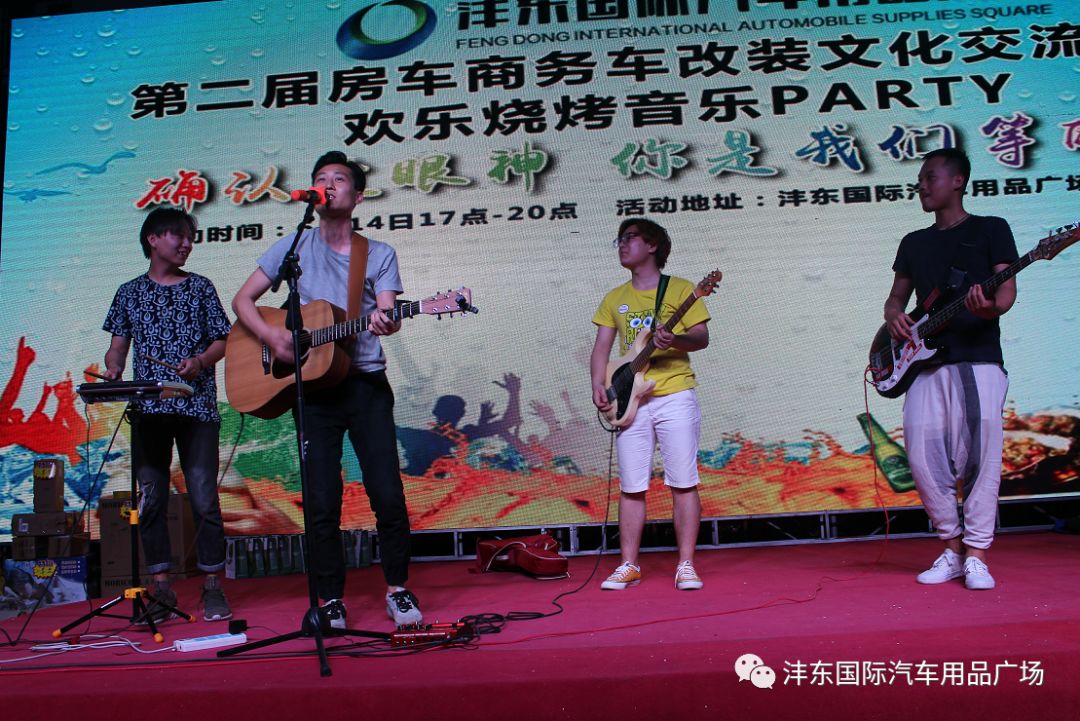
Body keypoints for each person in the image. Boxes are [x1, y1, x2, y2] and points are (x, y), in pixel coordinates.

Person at [232, 150, 421, 628]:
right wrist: (273, 335)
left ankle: (397, 589)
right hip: (313, 391)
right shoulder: (292, 247)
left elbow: (387, 311)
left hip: (365, 385)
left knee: (386, 492)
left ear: (357, 197)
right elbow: (243, 300)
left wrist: (388, 320)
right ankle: (331, 599)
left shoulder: (377, 253)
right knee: (320, 500)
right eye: (321, 178)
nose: (328, 184)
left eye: (339, 179)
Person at [883, 147, 1018, 590]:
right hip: (924, 365)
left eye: (930, 177)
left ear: (958, 181)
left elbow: (1005, 294)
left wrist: (987, 309)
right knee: (922, 458)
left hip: (976, 360)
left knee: (979, 458)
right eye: (920, 178)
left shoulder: (990, 229)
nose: (921, 185)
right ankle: (951, 547)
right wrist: (894, 317)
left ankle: (977, 553)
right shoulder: (913, 242)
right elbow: (896, 298)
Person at [102, 207, 233, 622]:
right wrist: (113, 369)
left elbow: (222, 341)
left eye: (190, 237)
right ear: (153, 239)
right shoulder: (128, 292)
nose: (187, 243)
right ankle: (161, 588)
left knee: (204, 498)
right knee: (152, 498)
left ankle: (212, 585)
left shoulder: (200, 287)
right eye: (178, 235)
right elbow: (117, 348)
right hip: (149, 411)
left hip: (196, 409)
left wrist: (199, 362)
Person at [590, 218, 711, 591]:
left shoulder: (682, 289)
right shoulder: (615, 297)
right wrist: (598, 384)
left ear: (653, 245)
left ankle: (686, 564)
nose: (622, 245)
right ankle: (628, 565)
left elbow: (701, 338)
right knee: (631, 485)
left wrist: (674, 340)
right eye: (619, 239)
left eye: (630, 238)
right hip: (631, 400)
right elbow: (602, 348)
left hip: (675, 394)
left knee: (683, 481)